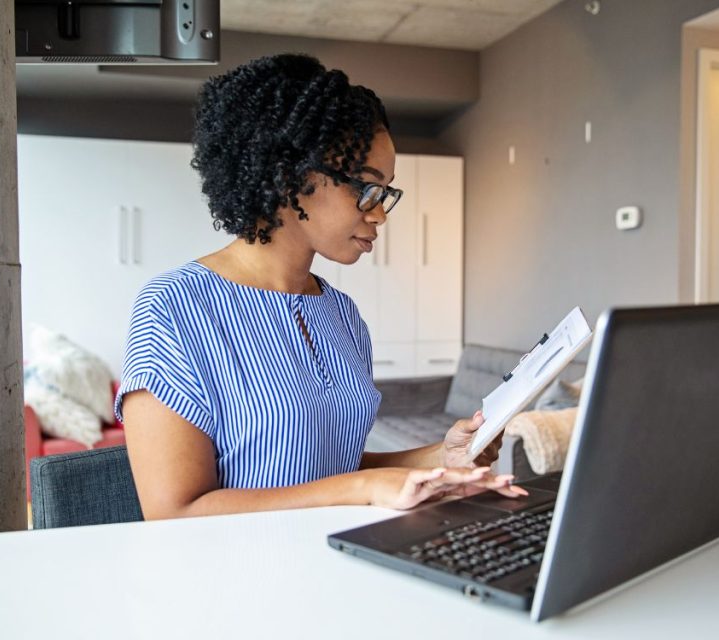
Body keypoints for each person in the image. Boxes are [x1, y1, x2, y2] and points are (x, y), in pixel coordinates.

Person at [115, 53, 526, 520]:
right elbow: (174, 513)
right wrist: (367, 487)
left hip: (340, 557)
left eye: (386, 192)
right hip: (237, 579)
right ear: (291, 175)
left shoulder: (342, 314)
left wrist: (440, 458)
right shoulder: (175, 307)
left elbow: (331, 472)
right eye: (367, 188)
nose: (380, 213)